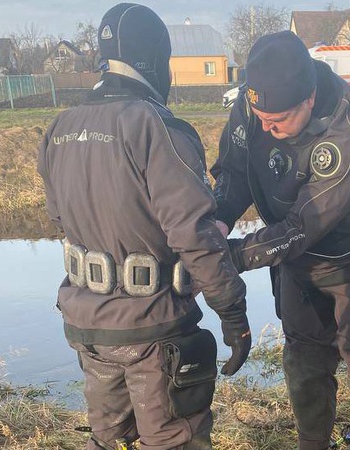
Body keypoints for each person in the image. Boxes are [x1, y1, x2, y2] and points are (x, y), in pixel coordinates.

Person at [37, 4, 251, 449]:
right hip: (155, 329)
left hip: (90, 325)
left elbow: (60, 218)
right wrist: (232, 313)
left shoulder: (60, 129)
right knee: (175, 439)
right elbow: (194, 234)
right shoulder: (158, 127)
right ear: (155, 60)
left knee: (108, 439)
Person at [211, 31, 350, 450]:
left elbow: (301, 226)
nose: (266, 128)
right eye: (259, 116)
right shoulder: (255, 106)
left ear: (308, 99)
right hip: (300, 264)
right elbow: (234, 170)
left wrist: (233, 256)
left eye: (277, 120)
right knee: (303, 362)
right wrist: (217, 221)